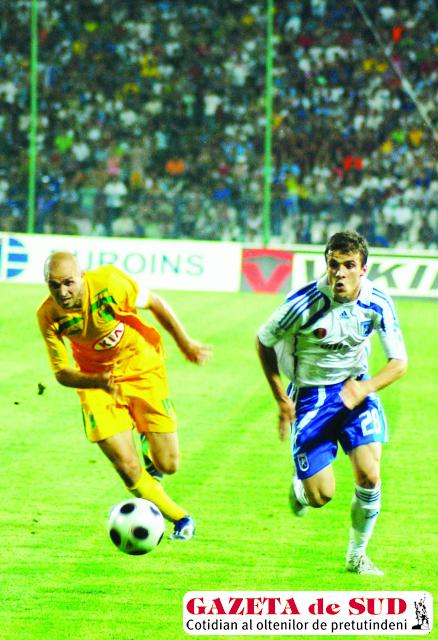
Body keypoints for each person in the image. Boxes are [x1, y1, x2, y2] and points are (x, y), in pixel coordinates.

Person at [256, 231, 407, 575]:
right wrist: (281, 397)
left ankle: (357, 557)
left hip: (356, 390)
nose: (339, 273)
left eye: (349, 265)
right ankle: (300, 489)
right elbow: (263, 341)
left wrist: (366, 387)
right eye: (333, 264)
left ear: (363, 268)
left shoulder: (377, 302)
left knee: (369, 476)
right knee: (321, 496)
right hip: (311, 396)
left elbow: (399, 362)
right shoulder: (303, 304)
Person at [37, 251, 212, 540]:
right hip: (97, 384)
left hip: (142, 367)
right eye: (54, 285)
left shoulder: (109, 282)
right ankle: (182, 519)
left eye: (68, 282)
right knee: (127, 466)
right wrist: (97, 381)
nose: (62, 292)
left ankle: (147, 440)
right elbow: (61, 373)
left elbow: (154, 302)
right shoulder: (48, 315)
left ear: (82, 276)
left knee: (168, 464)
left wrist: (186, 343)